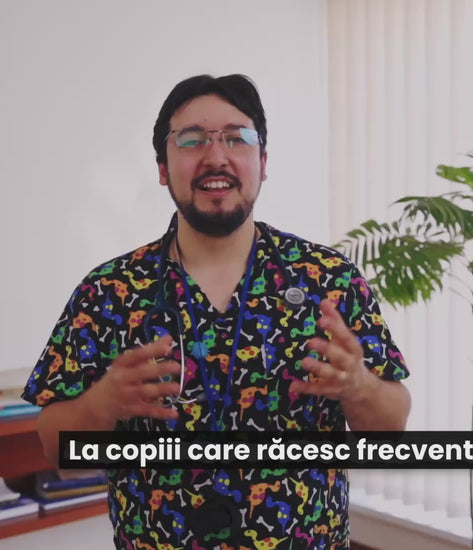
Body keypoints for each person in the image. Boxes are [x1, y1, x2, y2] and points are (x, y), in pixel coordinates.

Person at [23, 74, 411, 549]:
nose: (215, 155)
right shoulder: (108, 291)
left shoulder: (327, 279)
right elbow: (57, 451)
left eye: (236, 137)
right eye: (191, 140)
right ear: (163, 167)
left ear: (262, 163)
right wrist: (102, 403)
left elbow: (391, 429)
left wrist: (359, 386)